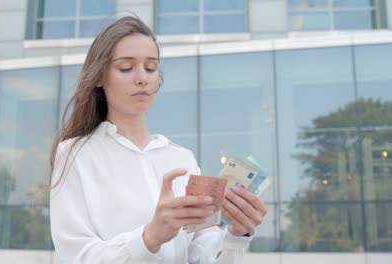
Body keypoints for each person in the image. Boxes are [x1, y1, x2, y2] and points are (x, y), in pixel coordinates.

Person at [50, 16, 268, 264]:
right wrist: (150, 236)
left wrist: (237, 235)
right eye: (126, 68)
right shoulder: (75, 154)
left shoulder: (181, 158)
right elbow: (76, 257)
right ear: (99, 77)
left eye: (151, 67)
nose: (142, 77)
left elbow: (202, 252)